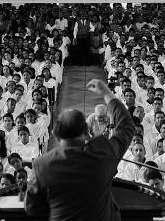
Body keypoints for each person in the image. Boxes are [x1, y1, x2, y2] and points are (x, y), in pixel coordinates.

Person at [25, 79, 135, 220]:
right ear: (86, 132)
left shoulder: (41, 164)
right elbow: (126, 126)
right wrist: (105, 92)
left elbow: (33, 208)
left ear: (55, 134)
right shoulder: (103, 153)